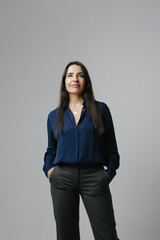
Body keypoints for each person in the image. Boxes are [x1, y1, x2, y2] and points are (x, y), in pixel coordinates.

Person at [42, 61, 120, 240]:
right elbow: (50, 150)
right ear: (64, 82)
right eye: (70, 75)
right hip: (62, 179)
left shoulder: (101, 110)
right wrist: (49, 171)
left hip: (94, 177)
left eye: (80, 75)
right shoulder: (54, 116)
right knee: (66, 236)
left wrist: (108, 174)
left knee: (107, 235)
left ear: (86, 81)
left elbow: (112, 149)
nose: (74, 79)